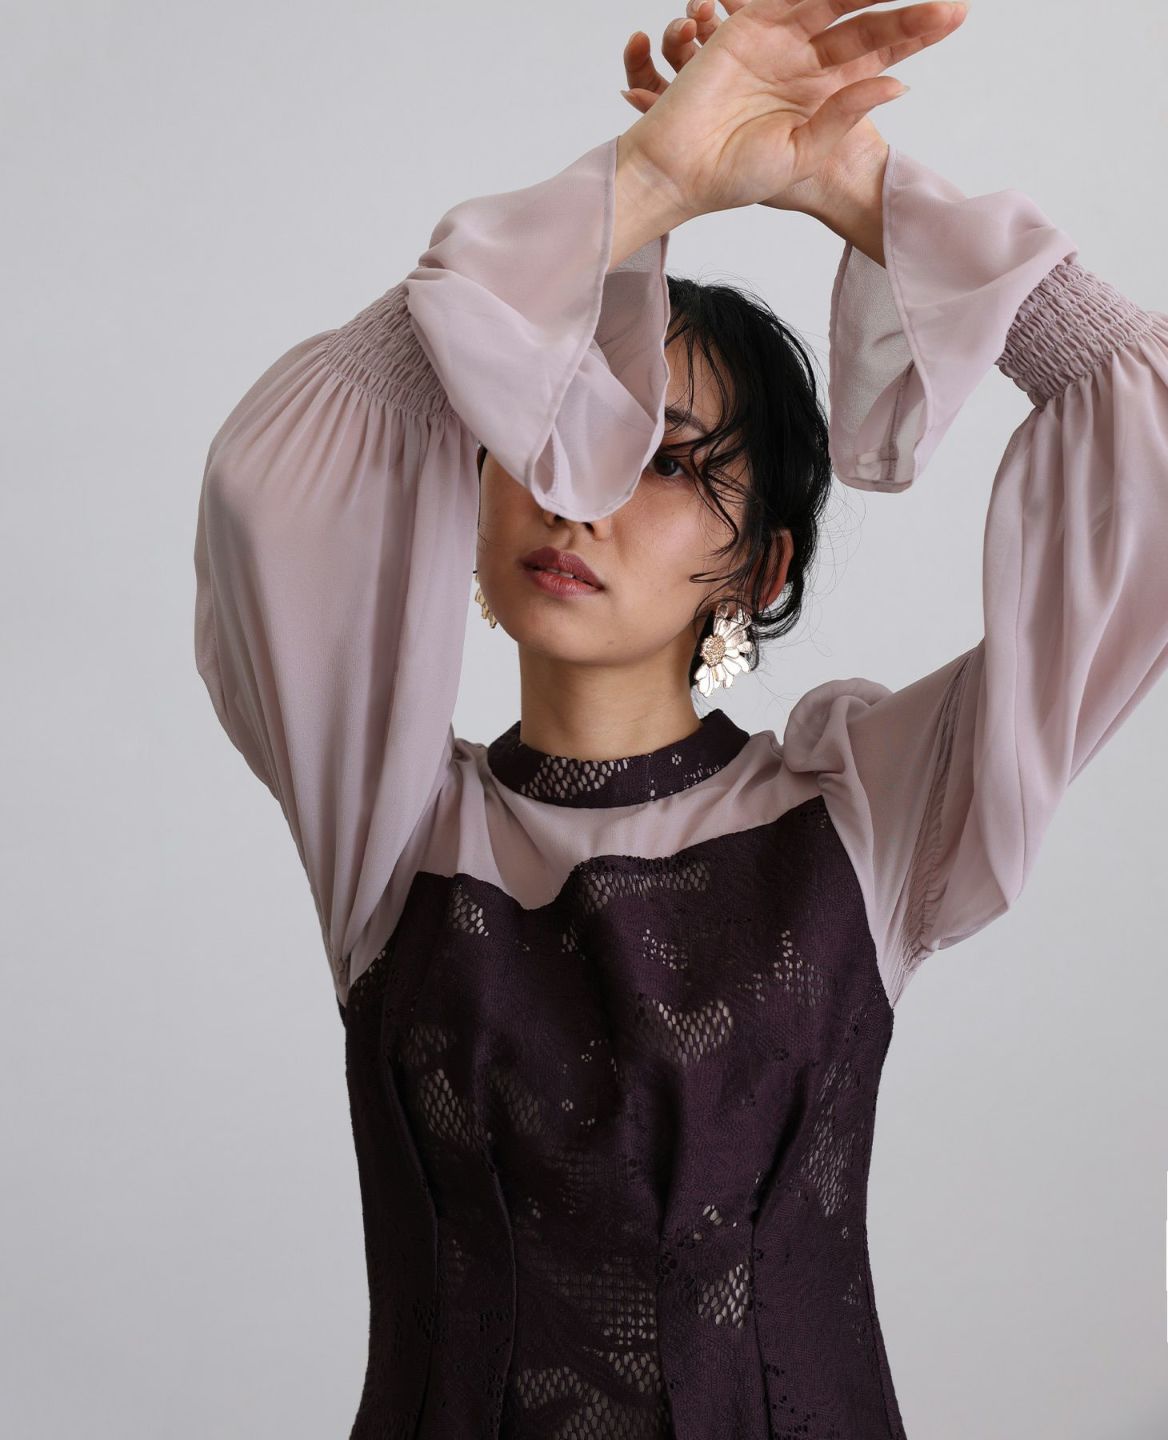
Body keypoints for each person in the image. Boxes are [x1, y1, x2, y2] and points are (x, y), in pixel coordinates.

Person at [191, 0, 1168, 1433]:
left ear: (761, 568)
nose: (578, 495)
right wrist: (644, 182)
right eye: (552, 431)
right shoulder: (391, 826)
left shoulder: (867, 816)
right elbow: (263, 493)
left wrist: (864, 194)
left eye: (664, 462)